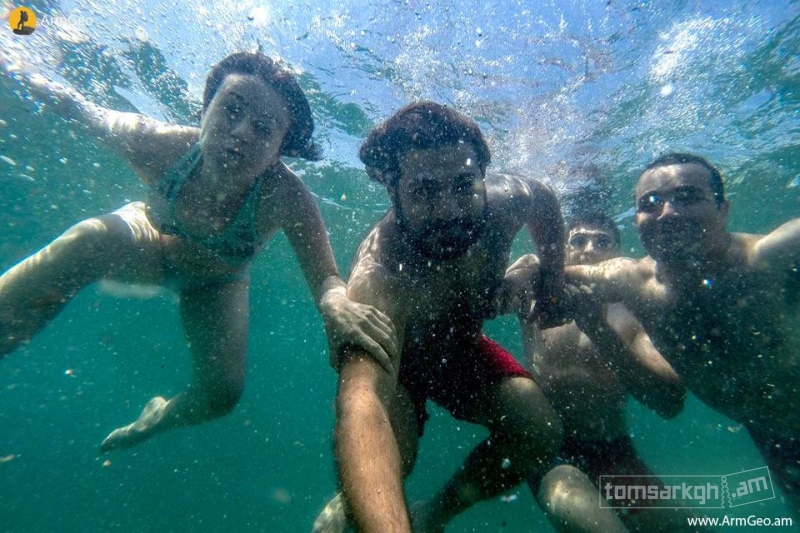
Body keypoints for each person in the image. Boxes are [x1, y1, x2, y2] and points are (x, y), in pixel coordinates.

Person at [0, 52, 397, 452]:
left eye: (263, 128)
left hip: (216, 283)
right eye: (231, 110)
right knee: (89, 238)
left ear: (278, 150)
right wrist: (21, 66)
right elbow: (78, 108)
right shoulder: (157, 143)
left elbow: (326, 277)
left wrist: (335, 305)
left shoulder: (287, 196)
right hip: (149, 244)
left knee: (221, 396)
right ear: (205, 110)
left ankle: (154, 421)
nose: (241, 132)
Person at [315, 100, 612, 533]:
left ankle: (435, 513)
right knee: (393, 461)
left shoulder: (506, 202)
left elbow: (545, 201)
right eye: (425, 191)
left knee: (539, 429)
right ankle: (352, 505)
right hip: (400, 366)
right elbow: (364, 402)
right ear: (392, 191)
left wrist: (551, 283)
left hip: (460, 349)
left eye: (463, 185)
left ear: (482, 177)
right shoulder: (380, 277)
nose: (450, 210)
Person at [565, 153, 800, 515]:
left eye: (687, 197)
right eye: (650, 204)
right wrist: (528, 268)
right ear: (637, 219)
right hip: (773, 438)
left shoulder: (771, 259)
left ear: (723, 209)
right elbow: (561, 273)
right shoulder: (634, 282)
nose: (668, 213)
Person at [506, 211, 714, 532]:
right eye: (578, 241)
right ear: (563, 250)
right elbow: (510, 282)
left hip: (613, 452)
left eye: (602, 242)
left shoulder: (633, 310)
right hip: (548, 447)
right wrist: (519, 275)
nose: (589, 249)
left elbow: (670, 402)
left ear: (616, 255)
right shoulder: (537, 286)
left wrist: (597, 327)